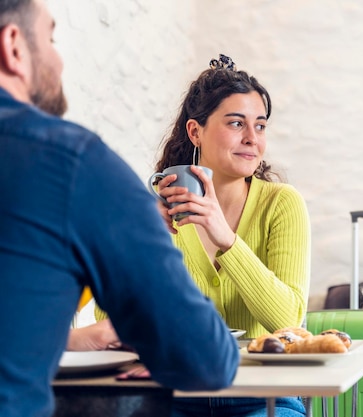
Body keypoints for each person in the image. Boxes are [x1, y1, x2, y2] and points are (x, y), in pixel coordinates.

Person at [0, 1, 239, 417]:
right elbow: (208, 358)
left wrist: (71, 339)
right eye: (51, 38)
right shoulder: (70, 163)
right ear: (14, 46)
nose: (58, 58)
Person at [153, 55, 311, 416]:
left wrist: (226, 238)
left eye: (260, 126)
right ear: (196, 131)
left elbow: (288, 320)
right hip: (175, 395)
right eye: (236, 123)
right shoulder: (156, 212)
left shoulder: (282, 204)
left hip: (266, 397)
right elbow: (108, 323)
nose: (251, 139)